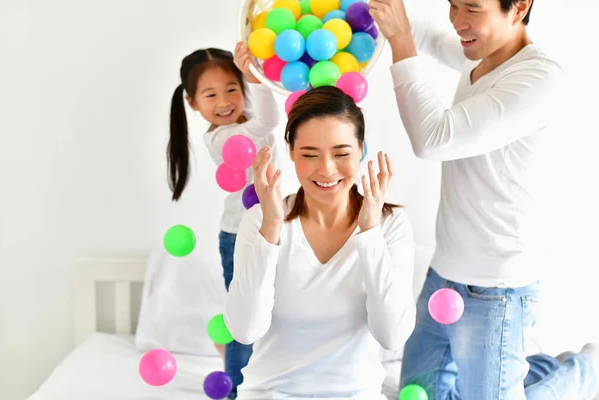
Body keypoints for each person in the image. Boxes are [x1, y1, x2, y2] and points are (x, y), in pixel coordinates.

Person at [368, 0, 599, 398]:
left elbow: (433, 138)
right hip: (445, 272)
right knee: (418, 395)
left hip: (497, 288)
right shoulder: (482, 50)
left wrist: (400, 39)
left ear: (519, 7)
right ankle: (533, 368)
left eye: (471, 8)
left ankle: (584, 370)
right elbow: (422, 31)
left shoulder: (539, 78)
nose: (458, 22)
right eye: (452, 5)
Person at [223, 86, 416, 399]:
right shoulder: (261, 221)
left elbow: (391, 335)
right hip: (271, 392)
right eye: (309, 154)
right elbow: (244, 331)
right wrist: (271, 228)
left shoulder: (390, 225)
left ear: (361, 150)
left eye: (341, 154)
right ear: (290, 151)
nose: (327, 169)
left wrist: (369, 233)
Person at [167, 42, 279, 399]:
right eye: (210, 94)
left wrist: (256, 74)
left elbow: (266, 111)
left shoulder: (247, 116)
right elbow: (270, 120)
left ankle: (261, 380)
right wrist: (251, 76)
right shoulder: (223, 138)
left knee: (271, 318)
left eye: (232, 88)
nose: (224, 101)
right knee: (246, 322)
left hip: (273, 229)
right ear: (192, 103)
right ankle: (234, 391)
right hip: (241, 237)